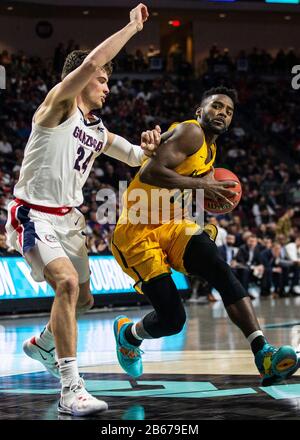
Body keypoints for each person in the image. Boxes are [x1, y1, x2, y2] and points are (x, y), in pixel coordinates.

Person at [5, 3, 159, 417]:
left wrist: (149, 149)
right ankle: (70, 387)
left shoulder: (96, 128)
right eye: (103, 79)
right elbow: (94, 59)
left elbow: (132, 156)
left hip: (69, 221)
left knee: (84, 299)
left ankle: (42, 345)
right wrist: (131, 28)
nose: (107, 86)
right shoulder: (58, 106)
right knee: (68, 286)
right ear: (84, 79)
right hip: (33, 214)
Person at [111, 86, 298, 387]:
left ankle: (262, 352)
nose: (223, 112)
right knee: (173, 320)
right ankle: (128, 335)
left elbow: (187, 183)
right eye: (216, 106)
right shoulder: (191, 132)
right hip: (138, 229)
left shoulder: (211, 149)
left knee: (218, 266)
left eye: (229, 110)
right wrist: (202, 188)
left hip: (173, 224)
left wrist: (208, 189)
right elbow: (149, 173)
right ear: (200, 111)